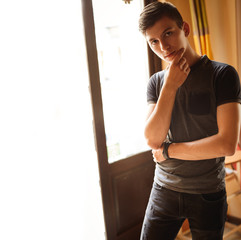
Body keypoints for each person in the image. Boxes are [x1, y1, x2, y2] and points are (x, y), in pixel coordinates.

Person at [138, 1, 241, 240]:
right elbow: (152, 139)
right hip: (163, 190)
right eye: (153, 41)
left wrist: (170, 150)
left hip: (207, 193)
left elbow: (226, 144)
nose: (163, 46)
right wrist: (170, 86)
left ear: (184, 28)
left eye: (167, 34)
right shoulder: (156, 83)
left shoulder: (223, 75)